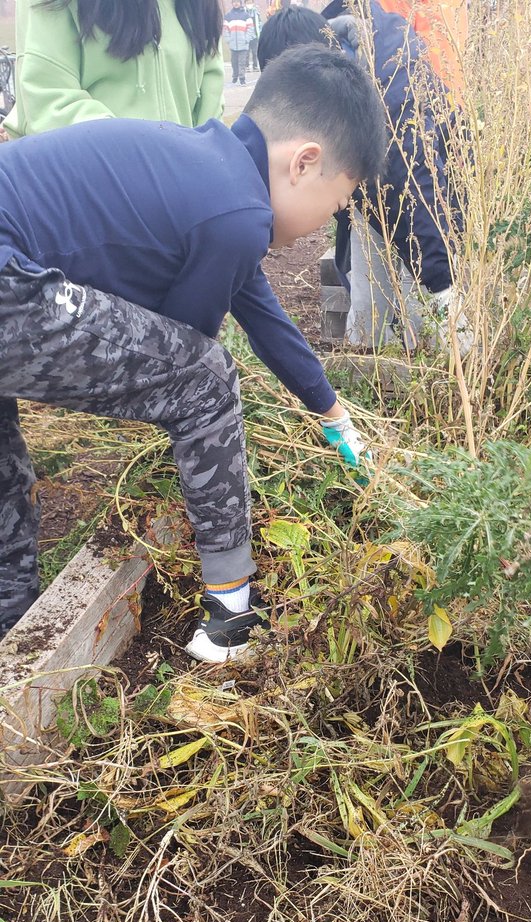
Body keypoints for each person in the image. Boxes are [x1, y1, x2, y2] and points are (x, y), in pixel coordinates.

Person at [0, 47, 386, 661]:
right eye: (335, 206)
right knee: (205, 380)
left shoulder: (214, 173)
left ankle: (14, 633)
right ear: (304, 162)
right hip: (8, 282)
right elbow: (186, 355)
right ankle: (231, 616)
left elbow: (262, 313)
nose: (323, 224)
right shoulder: (235, 214)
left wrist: (331, 410)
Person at [259, 2, 472, 356]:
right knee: (369, 300)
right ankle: (367, 361)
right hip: (371, 186)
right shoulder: (330, 54)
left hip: (430, 191)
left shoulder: (391, 91)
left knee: (422, 297)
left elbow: (419, 189)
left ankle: (437, 371)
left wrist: (442, 284)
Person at [2, 0, 225, 139]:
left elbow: (211, 105)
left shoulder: (197, 6)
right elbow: (49, 99)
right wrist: (151, 160)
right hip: (88, 191)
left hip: (179, 192)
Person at [224, 0, 253, 86]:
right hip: (233, 44)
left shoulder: (246, 16)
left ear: (240, 3)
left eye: (237, 2)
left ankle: (242, 78)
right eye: (234, 2)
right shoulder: (228, 16)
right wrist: (228, 40)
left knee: (242, 62)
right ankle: (234, 77)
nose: (236, 3)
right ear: (232, 3)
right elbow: (225, 29)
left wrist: (246, 39)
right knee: (234, 62)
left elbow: (250, 29)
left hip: (243, 44)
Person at [245, 2, 262, 72]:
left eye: (250, 2)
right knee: (246, 52)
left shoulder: (256, 12)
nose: (249, 4)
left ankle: (255, 66)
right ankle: (246, 66)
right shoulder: (243, 12)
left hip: (255, 36)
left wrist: (259, 31)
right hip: (246, 36)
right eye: (248, 2)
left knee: (255, 52)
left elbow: (260, 23)